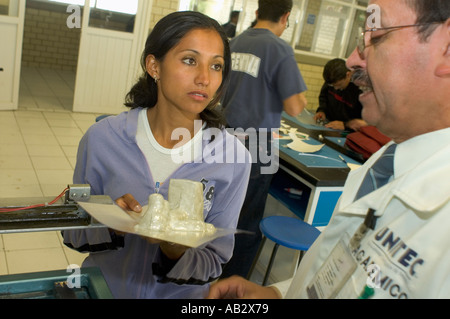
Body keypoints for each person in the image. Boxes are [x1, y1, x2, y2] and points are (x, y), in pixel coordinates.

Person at [209, 0, 450, 299]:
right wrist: (277, 294)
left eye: (376, 37)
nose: (351, 60)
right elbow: (340, 275)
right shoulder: (379, 167)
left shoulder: (240, 41)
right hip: (257, 142)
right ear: (286, 17)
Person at [62, 11, 251, 299]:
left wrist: (175, 252)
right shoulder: (102, 139)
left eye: (216, 66)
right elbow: (72, 234)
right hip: (104, 290)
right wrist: (112, 225)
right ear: (154, 66)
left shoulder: (233, 158)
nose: (204, 78)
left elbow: (214, 262)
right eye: (190, 60)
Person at [220, 0, 308, 279]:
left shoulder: (234, 42)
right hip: (257, 145)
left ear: (257, 12)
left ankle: (208, 273)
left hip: (223, 137)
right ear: (286, 17)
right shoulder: (279, 49)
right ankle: (233, 287)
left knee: (222, 210)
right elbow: (295, 107)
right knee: (247, 222)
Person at [314, 58, 368, 131]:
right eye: (332, 86)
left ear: (348, 75)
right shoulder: (331, 80)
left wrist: (345, 125)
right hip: (329, 124)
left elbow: (364, 121)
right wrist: (322, 110)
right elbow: (323, 96)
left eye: (339, 85)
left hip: (347, 130)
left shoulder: (361, 89)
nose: (335, 89)